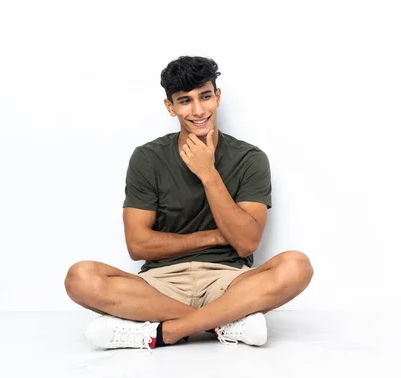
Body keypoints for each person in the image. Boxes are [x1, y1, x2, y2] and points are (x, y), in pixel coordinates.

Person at [64, 56, 314, 351]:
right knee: (81, 277)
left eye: (205, 97)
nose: (198, 110)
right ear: (170, 107)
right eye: (185, 101)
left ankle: (162, 333)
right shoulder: (148, 158)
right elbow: (138, 245)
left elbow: (246, 244)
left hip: (229, 282)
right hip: (160, 284)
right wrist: (214, 237)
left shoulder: (249, 158)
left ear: (217, 97)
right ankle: (225, 324)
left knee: (297, 266)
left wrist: (208, 173)